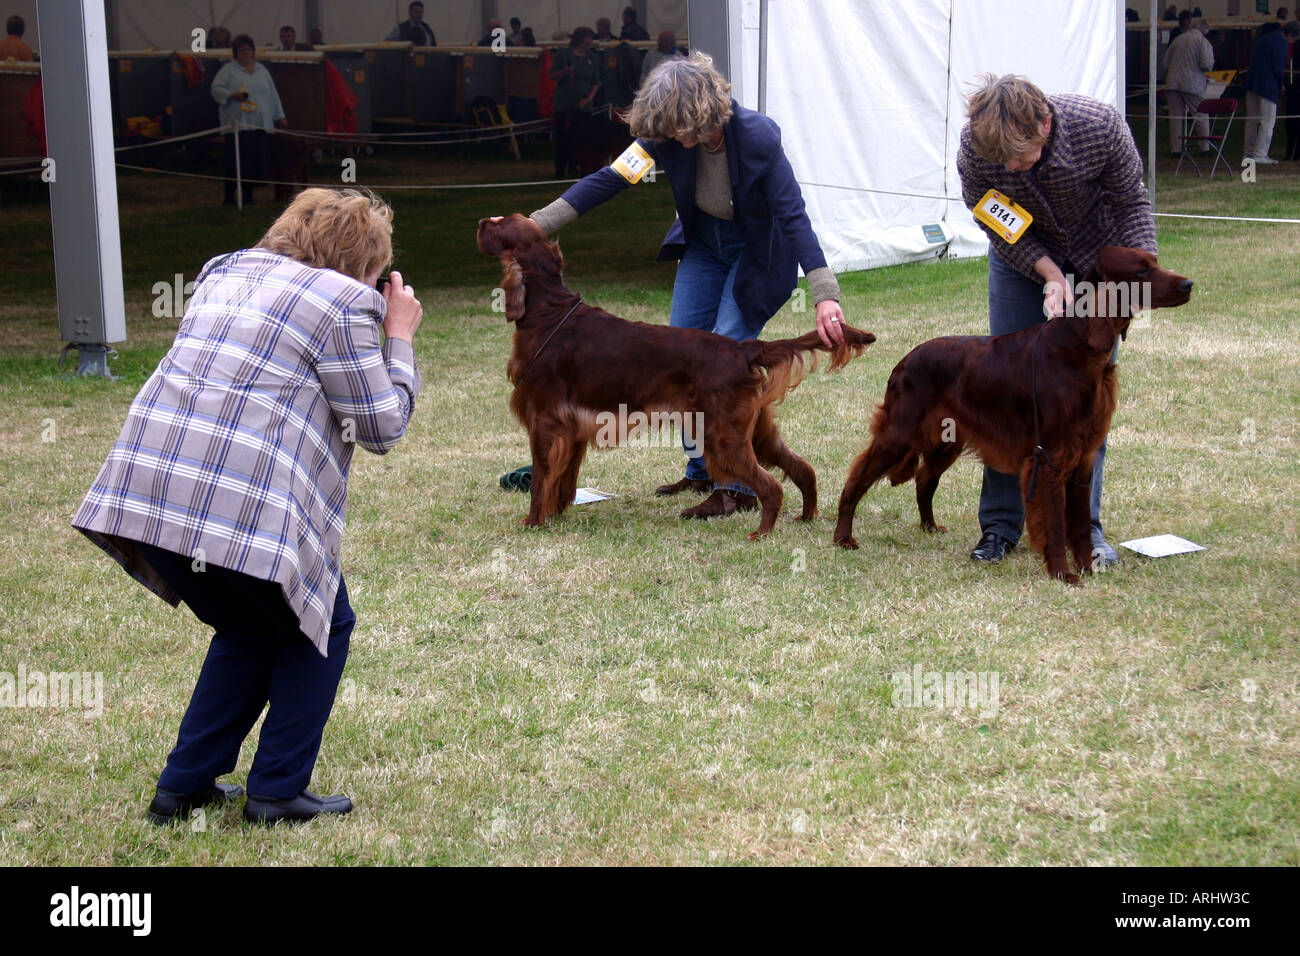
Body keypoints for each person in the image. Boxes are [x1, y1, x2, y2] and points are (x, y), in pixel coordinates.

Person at [72, 188, 424, 825]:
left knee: (251, 628)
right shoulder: (343, 299)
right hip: (237, 511)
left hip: (149, 497)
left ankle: (183, 790)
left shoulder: (223, 271)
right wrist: (396, 335)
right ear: (364, 262)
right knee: (321, 625)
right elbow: (381, 426)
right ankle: (276, 792)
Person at [522, 52, 848, 519]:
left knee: (722, 354)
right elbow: (610, 179)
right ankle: (701, 470)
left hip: (753, 254)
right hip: (702, 246)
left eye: (673, 127)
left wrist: (825, 294)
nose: (666, 137)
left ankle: (735, 487)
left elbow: (793, 215)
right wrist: (534, 226)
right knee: (677, 358)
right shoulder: (665, 137)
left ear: (697, 116)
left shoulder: (757, 137)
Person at [956, 74, 1157, 566]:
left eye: (1018, 157)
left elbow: (1132, 204)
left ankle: (1083, 529)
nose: (1007, 167)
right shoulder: (975, 146)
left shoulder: (1100, 127)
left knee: (1085, 400)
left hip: (1097, 259)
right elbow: (990, 213)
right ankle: (1000, 527)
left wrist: (1138, 280)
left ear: (1045, 125)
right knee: (1005, 387)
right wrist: (1047, 272)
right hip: (1020, 260)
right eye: (999, 160)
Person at [211, 35, 287, 206]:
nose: (245, 53)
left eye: (248, 49)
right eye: (241, 50)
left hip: (260, 124)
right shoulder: (228, 70)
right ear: (235, 53)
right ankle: (229, 197)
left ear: (253, 52)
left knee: (254, 161)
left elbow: (272, 94)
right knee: (235, 162)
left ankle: (248, 196)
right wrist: (232, 95)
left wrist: (280, 116)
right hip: (238, 125)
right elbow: (215, 89)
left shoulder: (262, 70)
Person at [550, 26, 603, 178]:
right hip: (564, 103)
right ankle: (560, 170)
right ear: (580, 38)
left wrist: (589, 99)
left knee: (582, 139)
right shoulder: (563, 55)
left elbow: (596, 81)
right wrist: (564, 72)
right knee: (563, 138)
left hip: (584, 105)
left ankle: (577, 168)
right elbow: (552, 76)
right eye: (588, 38)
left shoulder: (593, 58)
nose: (590, 41)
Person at [1162, 18, 1214, 156]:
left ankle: (1176, 149)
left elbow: (1165, 62)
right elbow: (1207, 64)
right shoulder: (1202, 41)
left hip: (1172, 83)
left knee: (1176, 118)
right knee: (1201, 114)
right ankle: (1205, 148)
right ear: (1204, 29)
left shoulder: (1177, 39)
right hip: (1192, 84)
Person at [1244, 21, 1294, 164]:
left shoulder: (1264, 39)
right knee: (1268, 121)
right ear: (1290, 35)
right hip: (1268, 86)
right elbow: (1278, 67)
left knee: (1251, 121)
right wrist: (1281, 84)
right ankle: (1260, 153)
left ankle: (1248, 152)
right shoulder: (1282, 42)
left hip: (1252, 82)